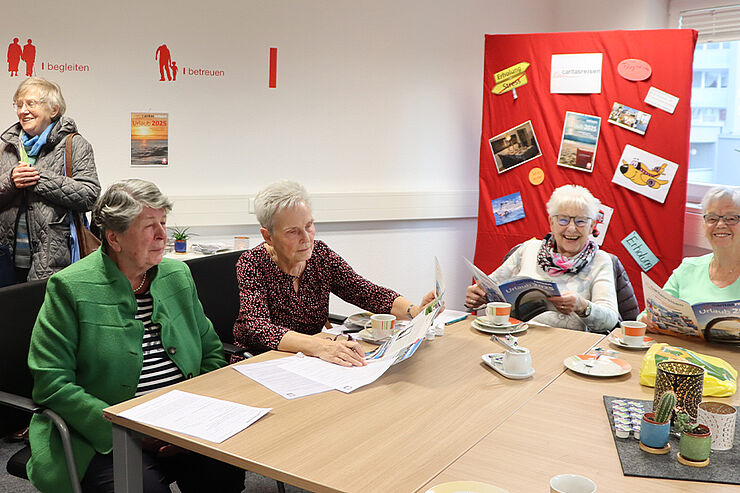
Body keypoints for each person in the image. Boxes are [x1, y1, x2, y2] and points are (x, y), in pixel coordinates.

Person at [27, 180, 244, 493]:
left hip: (183, 424)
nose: (161, 235)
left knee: (225, 473)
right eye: (149, 226)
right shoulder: (70, 287)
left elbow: (210, 352)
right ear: (114, 238)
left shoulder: (176, 275)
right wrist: (130, 429)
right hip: (103, 433)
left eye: (163, 223)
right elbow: (52, 382)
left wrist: (192, 418)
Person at [233, 180, 435, 366]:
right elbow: (258, 327)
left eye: (309, 226)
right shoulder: (253, 263)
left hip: (308, 361)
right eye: (293, 231)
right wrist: (321, 346)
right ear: (268, 236)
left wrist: (414, 311)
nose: (306, 238)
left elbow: (365, 292)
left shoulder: (320, 255)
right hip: (260, 361)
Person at [465, 184, 619, 332]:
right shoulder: (528, 249)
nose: (571, 228)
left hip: (569, 344)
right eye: (563, 220)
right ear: (551, 222)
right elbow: (491, 288)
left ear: (592, 226)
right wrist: (477, 296)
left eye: (580, 221)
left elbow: (611, 320)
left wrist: (582, 306)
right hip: (516, 337)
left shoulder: (600, 260)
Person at [0, 77, 100, 286]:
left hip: (53, 260)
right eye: (19, 105)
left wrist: (39, 178)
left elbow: (89, 195)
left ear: (53, 110)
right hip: (6, 260)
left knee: (42, 316)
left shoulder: (75, 145)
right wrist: (11, 181)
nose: (23, 111)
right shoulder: (6, 146)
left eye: (31, 104)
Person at [640, 186, 740, 339]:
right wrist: (647, 320)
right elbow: (650, 313)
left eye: (731, 218)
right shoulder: (688, 269)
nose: (720, 224)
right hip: (684, 358)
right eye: (712, 218)